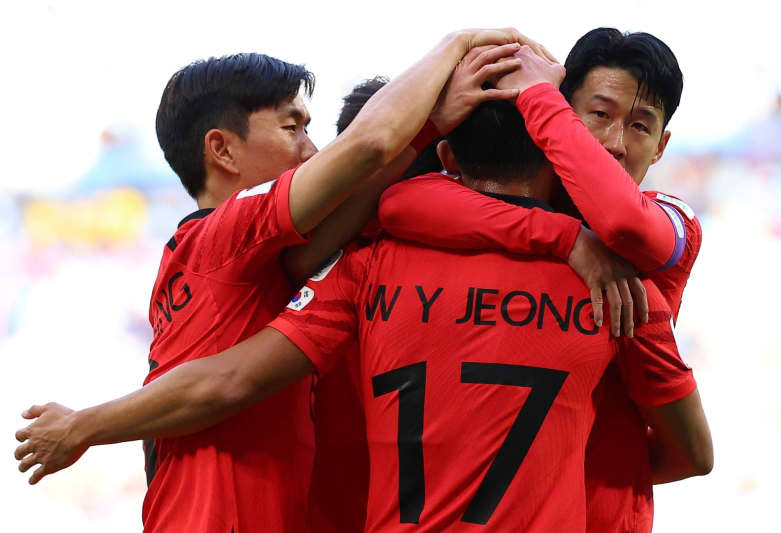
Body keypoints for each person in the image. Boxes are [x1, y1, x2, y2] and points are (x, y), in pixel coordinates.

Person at [13, 60, 711, 532]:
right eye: (295, 127)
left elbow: (230, 376)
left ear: (446, 160)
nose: (317, 152)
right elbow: (692, 454)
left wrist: (87, 426)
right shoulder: (624, 287)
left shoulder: (361, 270)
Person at [377, 28, 704, 531]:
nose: (616, 144)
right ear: (557, 119)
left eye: (640, 127)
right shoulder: (520, 212)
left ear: (661, 147)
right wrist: (564, 236)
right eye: (599, 115)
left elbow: (622, 221)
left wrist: (592, 472)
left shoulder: (672, 219)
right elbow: (402, 202)